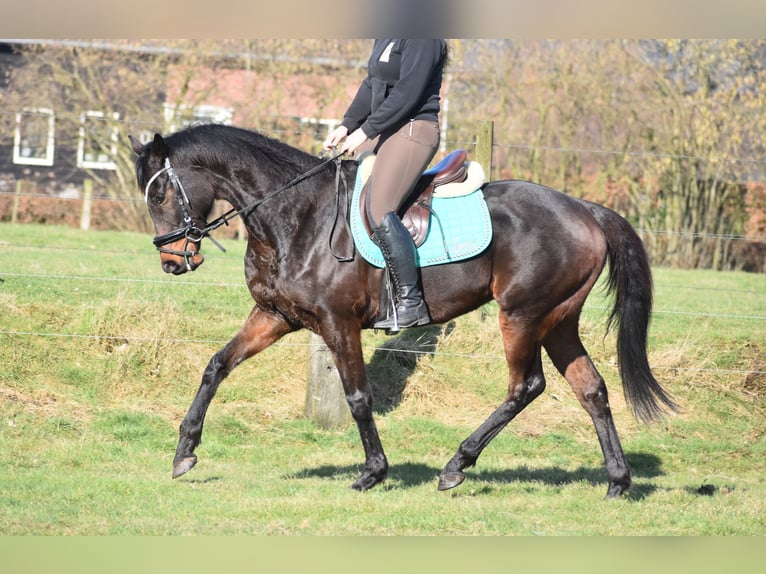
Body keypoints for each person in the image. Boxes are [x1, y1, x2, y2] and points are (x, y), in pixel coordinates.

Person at [323, 38, 448, 332]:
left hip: (415, 129)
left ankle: (411, 301)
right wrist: (347, 125)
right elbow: (372, 83)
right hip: (388, 128)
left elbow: (408, 93)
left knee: (380, 208)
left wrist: (365, 131)